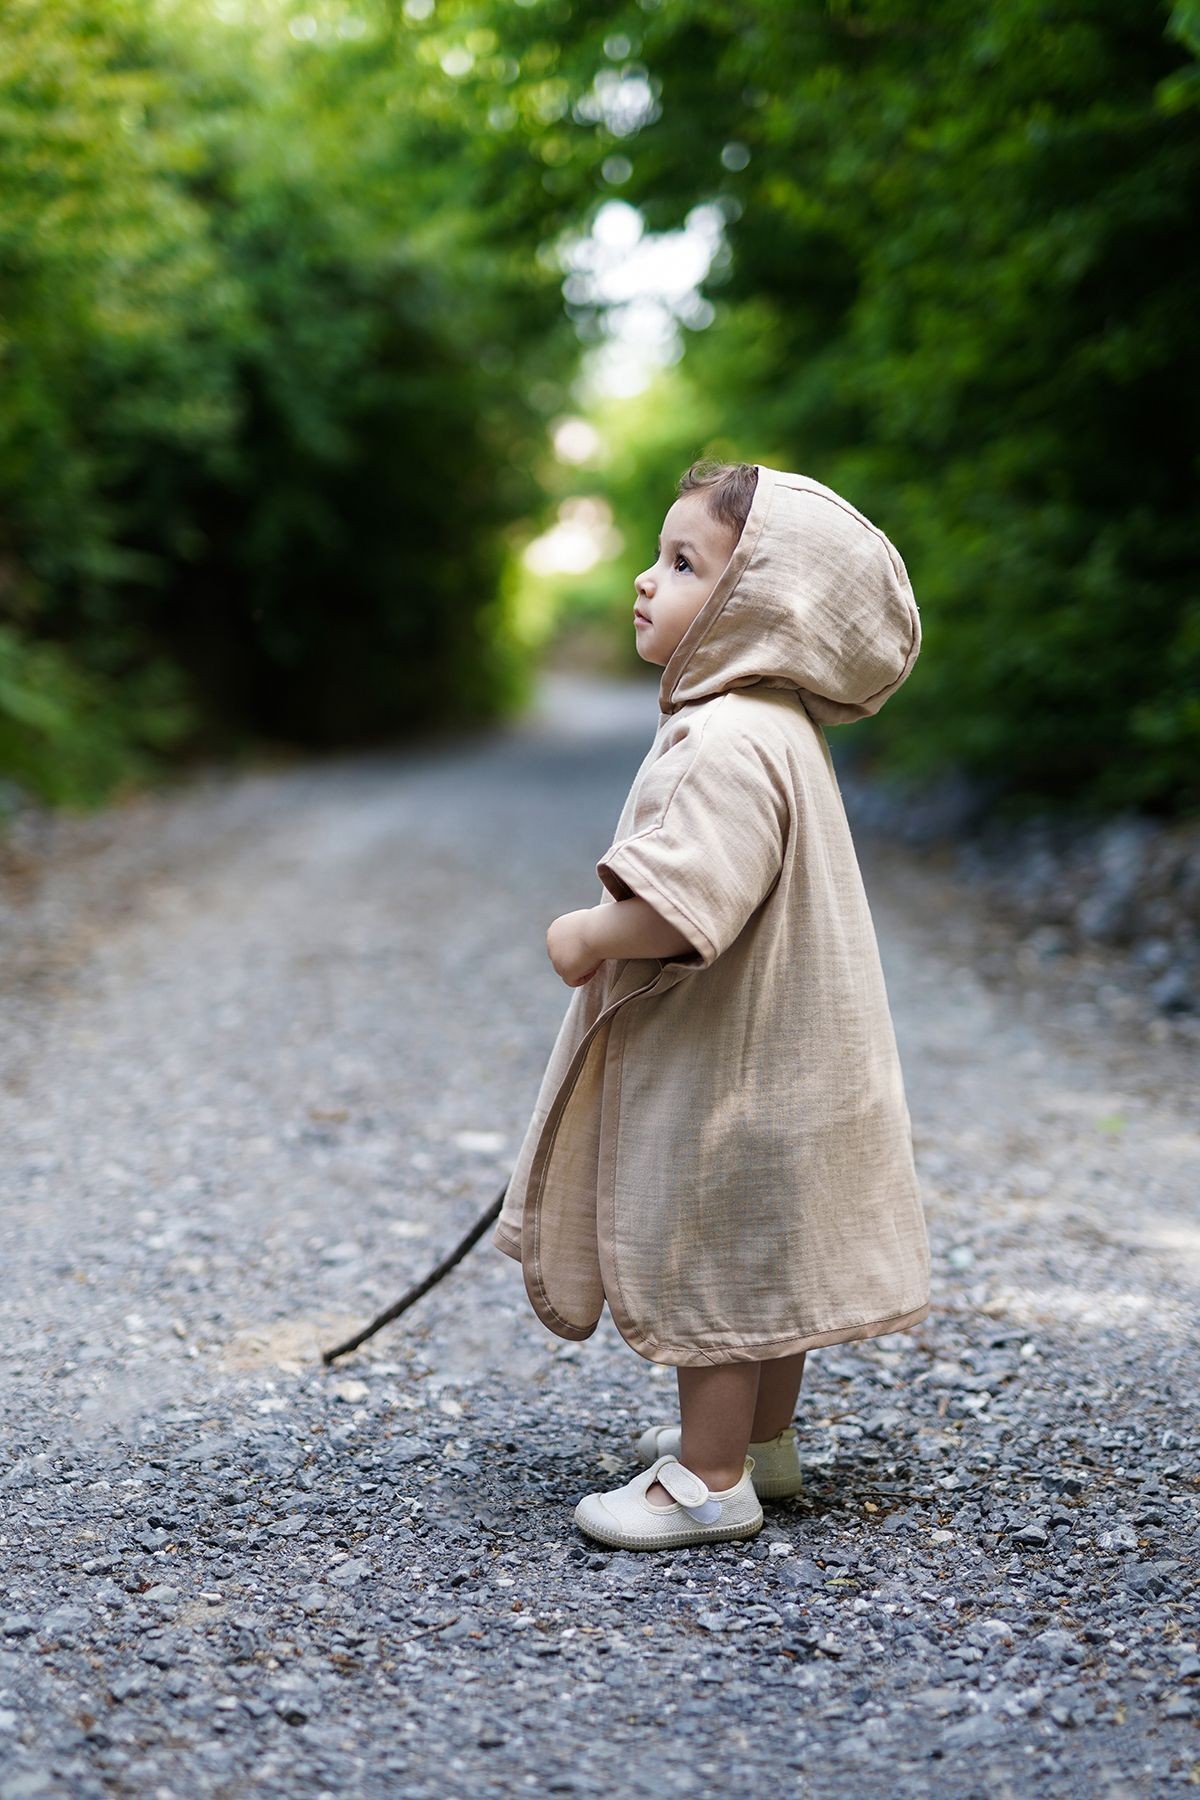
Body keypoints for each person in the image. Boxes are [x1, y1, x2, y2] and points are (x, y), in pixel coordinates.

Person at [493, 459, 931, 1550]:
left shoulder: (725, 735)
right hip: (796, 1065)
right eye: (657, 554)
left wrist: (586, 934)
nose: (648, 581)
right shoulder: (783, 725)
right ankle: (768, 1449)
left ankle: (710, 1476)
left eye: (683, 564)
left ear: (758, 606)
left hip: (732, 1074)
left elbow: (685, 903)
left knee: (712, 1261)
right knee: (767, 1264)